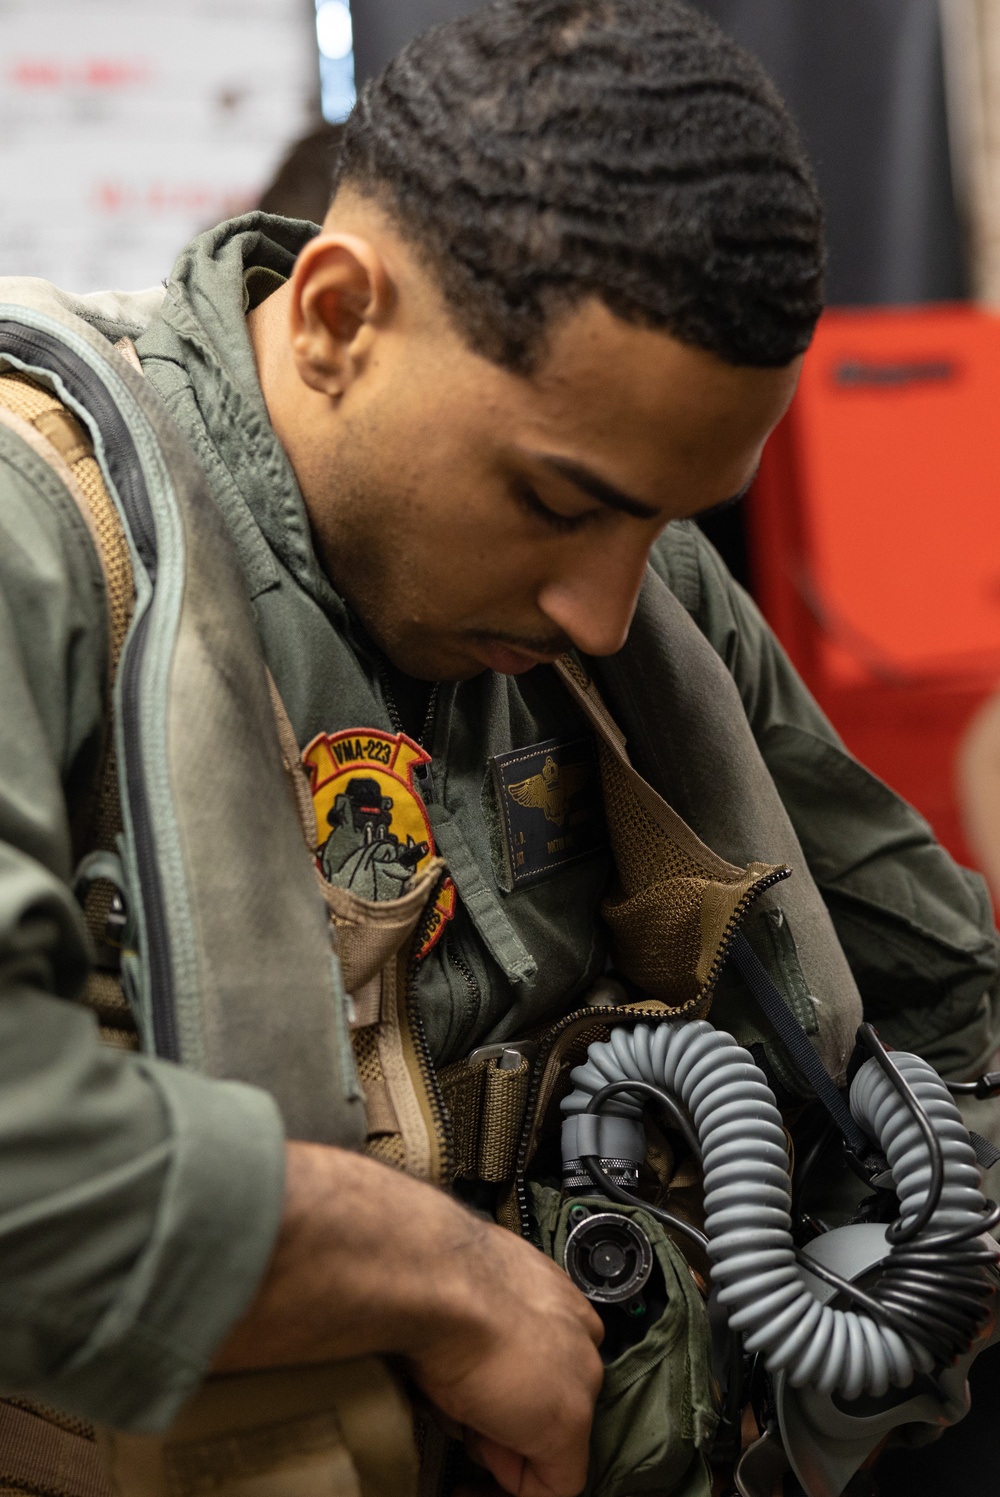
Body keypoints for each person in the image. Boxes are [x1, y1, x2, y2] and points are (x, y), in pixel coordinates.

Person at [0, 3, 997, 1496]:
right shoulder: (41, 543)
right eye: (556, 501)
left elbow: (948, 1003)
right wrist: (438, 1276)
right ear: (338, 317)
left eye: (664, 522)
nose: (605, 611)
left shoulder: (652, 608)